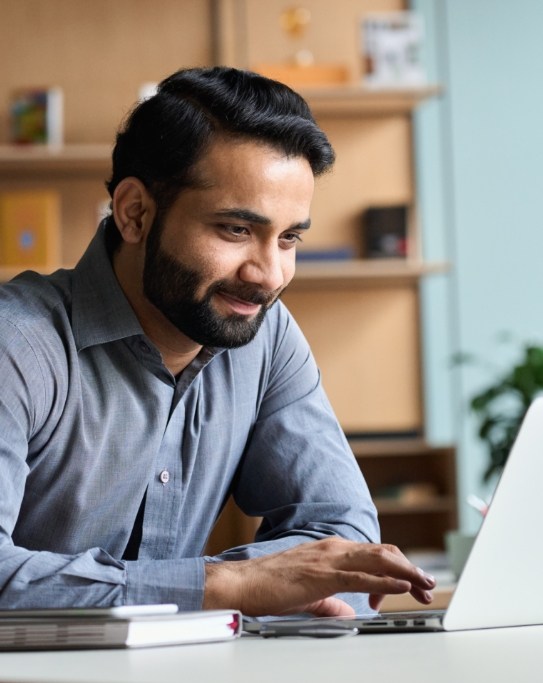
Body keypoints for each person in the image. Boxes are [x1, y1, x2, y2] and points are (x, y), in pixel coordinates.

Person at [0, 66, 435, 615]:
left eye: (289, 238)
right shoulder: (15, 344)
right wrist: (225, 587)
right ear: (135, 213)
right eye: (236, 230)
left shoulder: (266, 337)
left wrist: (269, 584)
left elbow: (342, 537)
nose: (270, 274)